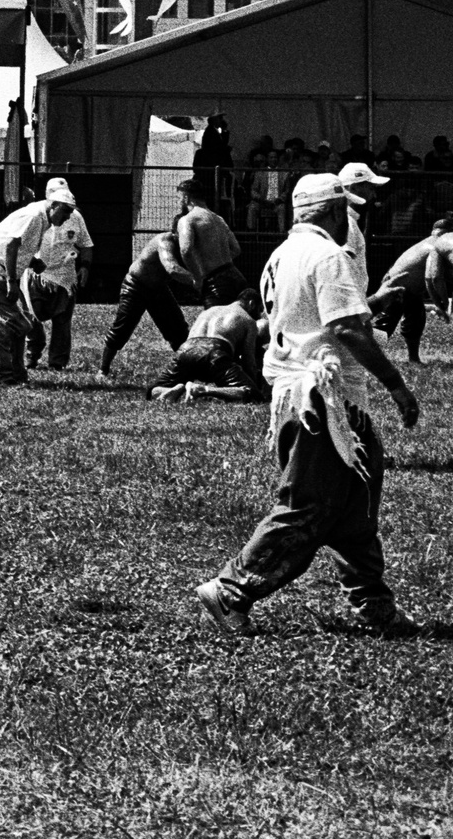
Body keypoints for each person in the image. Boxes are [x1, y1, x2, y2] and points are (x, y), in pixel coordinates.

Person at [196, 172, 422, 638]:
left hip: (303, 395)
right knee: (308, 506)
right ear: (337, 211)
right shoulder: (328, 255)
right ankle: (231, 589)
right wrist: (397, 385)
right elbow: (346, 329)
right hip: (323, 399)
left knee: (355, 503)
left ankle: (375, 606)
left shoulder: (279, 255)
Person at [100, 176, 248, 376]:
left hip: (159, 289)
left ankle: (189, 369)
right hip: (137, 286)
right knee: (122, 328)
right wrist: (197, 280)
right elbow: (172, 268)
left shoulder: (192, 232)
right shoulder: (165, 241)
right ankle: (103, 369)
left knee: (178, 331)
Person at [0, 181, 79, 386]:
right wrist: (12, 281)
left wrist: (32, 261)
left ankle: (16, 376)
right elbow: (10, 246)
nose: (67, 218)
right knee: (8, 326)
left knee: (21, 325)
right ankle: (4, 377)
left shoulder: (42, 219)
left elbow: (20, 248)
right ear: (53, 205)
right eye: (65, 212)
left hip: (3, 275)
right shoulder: (33, 216)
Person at [147, 296, 270, 404]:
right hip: (214, 352)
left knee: (154, 389)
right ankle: (202, 390)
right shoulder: (248, 320)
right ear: (251, 304)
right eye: (259, 310)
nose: (259, 316)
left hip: (186, 350)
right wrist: (254, 384)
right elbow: (249, 361)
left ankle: (170, 390)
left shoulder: (209, 311)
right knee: (252, 393)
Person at [364, 218, 453, 364]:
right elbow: (433, 278)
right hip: (395, 288)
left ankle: (413, 359)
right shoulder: (434, 247)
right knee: (383, 327)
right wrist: (442, 303)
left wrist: (439, 303)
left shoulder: (430, 244)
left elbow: (431, 279)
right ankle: (363, 357)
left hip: (410, 291)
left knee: (415, 323)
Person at [25, 178, 93, 370]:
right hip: (38, 276)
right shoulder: (35, 214)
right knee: (31, 317)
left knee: (62, 320)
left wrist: (85, 267)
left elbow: (86, 245)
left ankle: (57, 363)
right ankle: (32, 354)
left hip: (65, 277)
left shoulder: (75, 217)